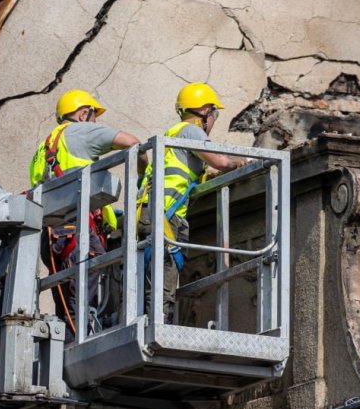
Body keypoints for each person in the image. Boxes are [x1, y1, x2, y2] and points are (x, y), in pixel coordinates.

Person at [29, 89, 146, 336]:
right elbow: (132, 142)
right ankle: (75, 351)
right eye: (94, 117)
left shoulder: (43, 148)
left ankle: (68, 346)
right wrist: (144, 173)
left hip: (52, 237)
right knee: (80, 306)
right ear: (83, 114)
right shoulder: (80, 131)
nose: (96, 124)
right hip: (78, 232)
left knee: (68, 306)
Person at [137, 82, 249, 324]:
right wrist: (237, 162)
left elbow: (192, 171)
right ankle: (160, 325)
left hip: (151, 213)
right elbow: (220, 161)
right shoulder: (192, 131)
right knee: (164, 277)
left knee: (151, 277)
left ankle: (151, 321)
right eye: (215, 114)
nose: (214, 120)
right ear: (206, 111)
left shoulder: (172, 134)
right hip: (165, 217)